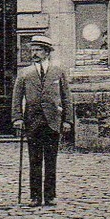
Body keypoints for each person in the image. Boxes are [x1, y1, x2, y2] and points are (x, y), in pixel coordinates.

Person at [11, 36, 72, 207]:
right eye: (32, 50)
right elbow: (17, 98)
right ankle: (35, 196)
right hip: (33, 121)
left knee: (51, 160)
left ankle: (50, 195)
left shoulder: (58, 71)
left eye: (38, 50)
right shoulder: (25, 73)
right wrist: (17, 118)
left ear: (46, 52)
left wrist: (67, 120)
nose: (34, 53)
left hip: (52, 122)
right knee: (35, 160)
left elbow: (66, 97)